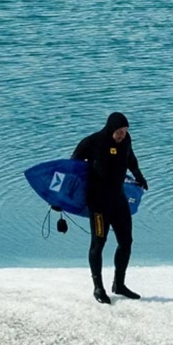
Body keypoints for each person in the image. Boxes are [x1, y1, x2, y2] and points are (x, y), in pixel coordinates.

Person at [71, 112, 149, 304]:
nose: (122, 135)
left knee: (126, 242)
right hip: (98, 203)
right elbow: (71, 169)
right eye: (119, 131)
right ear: (111, 129)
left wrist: (138, 174)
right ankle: (98, 287)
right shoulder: (93, 142)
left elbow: (130, 158)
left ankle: (119, 284)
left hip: (118, 200)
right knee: (99, 243)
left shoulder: (126, 141)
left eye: (125, 131)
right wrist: (60, 199)